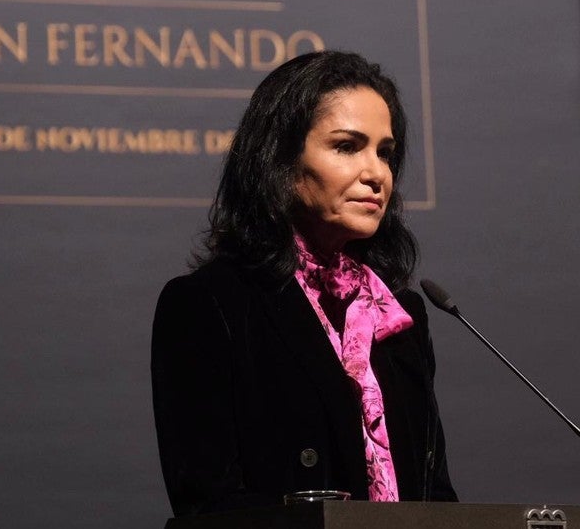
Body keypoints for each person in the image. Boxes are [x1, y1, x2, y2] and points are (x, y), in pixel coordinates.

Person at [151, 50, 457, 516]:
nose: (376, 173)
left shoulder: (398, 316)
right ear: (282, 161)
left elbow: (436, 500)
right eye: (347, 146)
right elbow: (208, 506)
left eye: (386, 153)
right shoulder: (208, 304)